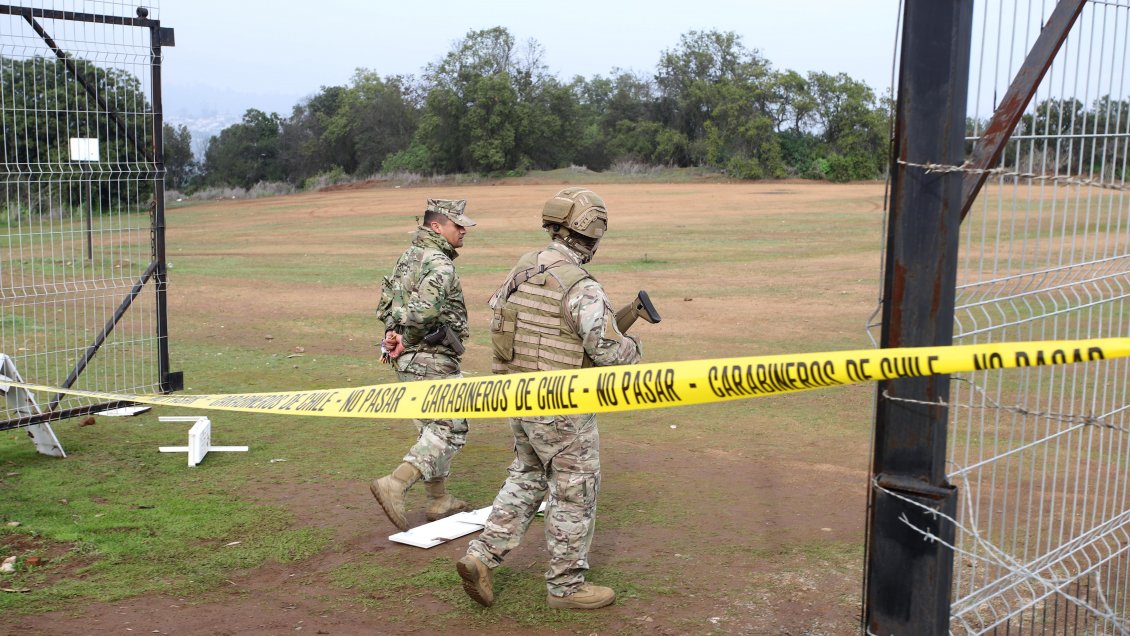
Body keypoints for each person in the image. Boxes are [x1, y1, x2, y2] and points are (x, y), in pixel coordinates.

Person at [456, 187, 642, 610]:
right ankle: (566, 586)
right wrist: (635, 347)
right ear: (591, 231)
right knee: (574, 489)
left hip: (516, 397)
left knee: (527, 476)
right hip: (561, 408)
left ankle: (481, 557)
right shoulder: (580, 285)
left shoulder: (522, 269)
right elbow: (611, 354)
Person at [371, 198, 476, 531]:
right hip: (432, 358)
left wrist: (394, 335)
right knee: (450, 428)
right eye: (457, 225)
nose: (463, 231)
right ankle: (396, 483)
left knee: (431, 427)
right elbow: (423, 312)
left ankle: (438, 499)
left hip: (406, 358)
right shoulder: (440, 264)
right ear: (436, 226)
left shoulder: (408, 257)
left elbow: (388, 303)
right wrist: (409, 335)